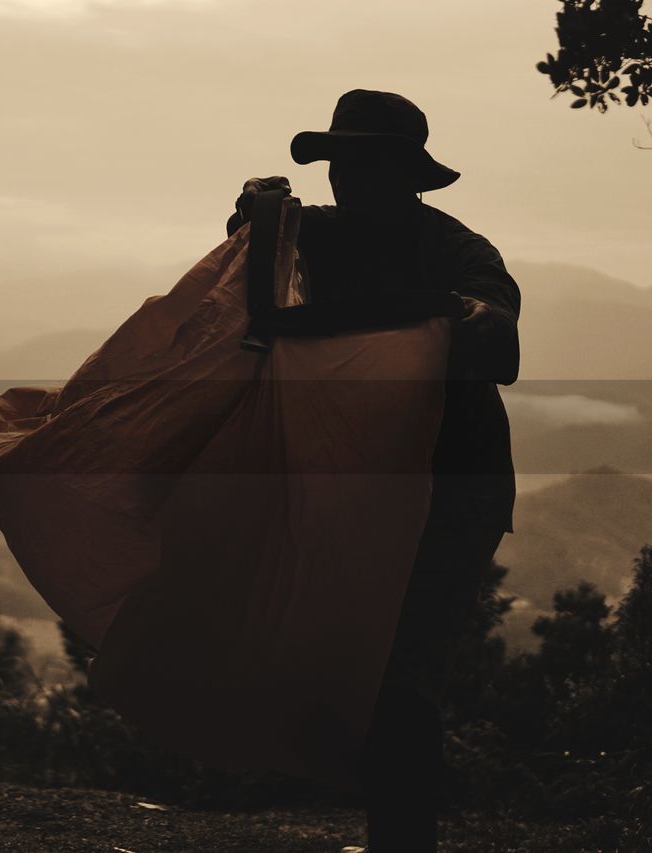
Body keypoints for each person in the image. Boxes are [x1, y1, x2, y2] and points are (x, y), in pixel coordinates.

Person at [229, 89, 520, 853]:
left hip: (454, 486)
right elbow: (247, 261)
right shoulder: (315, 235)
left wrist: (446, 315)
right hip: (361, 485)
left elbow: (500, 338)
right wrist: (255, 212)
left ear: (406, 172)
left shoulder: (459, 252)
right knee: (367, 665)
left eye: (362, 161)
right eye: (339, 161)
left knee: (402, 670)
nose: (345, 177)